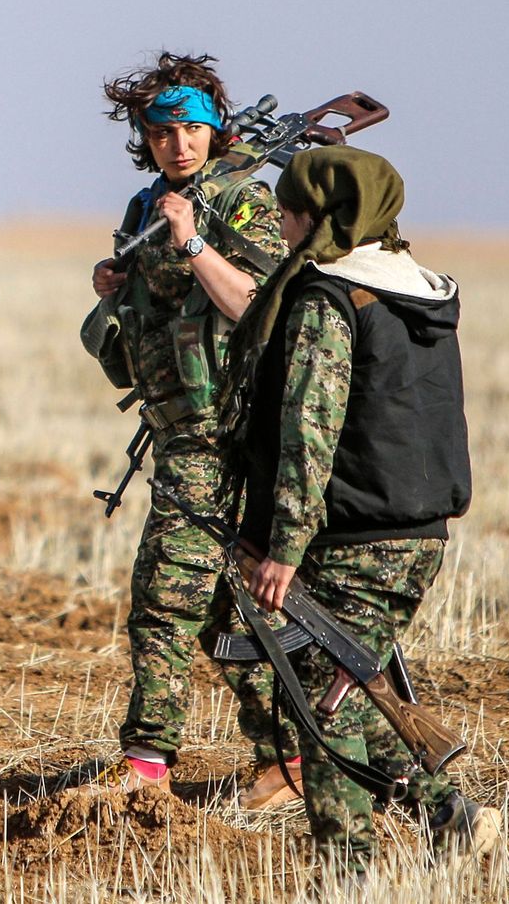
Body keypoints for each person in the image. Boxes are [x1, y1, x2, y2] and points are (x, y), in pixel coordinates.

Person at [219, 146, 502, 869]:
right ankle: (450, 818)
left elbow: (309, 429)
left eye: (286, 212)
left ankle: (348, 873)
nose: (279, 225)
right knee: (342, 682)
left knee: (320, 703)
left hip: (353, 533)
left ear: (318, 217)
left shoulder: (328, 297)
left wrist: (282, 544)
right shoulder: (418, 290)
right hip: (418, 531)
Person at [83, 50, 300, 801]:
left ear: (216, 129)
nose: (180, 144)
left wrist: (194, 243)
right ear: (145, 137)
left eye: (194, 128)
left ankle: (146, 763)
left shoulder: (241, 200)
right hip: (176, 430)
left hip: (225, 434)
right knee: (215, 607)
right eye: (164, 131)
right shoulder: (147, 206)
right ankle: (291, 752)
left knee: (163, 598)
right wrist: (114, 282)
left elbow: (260, 310)